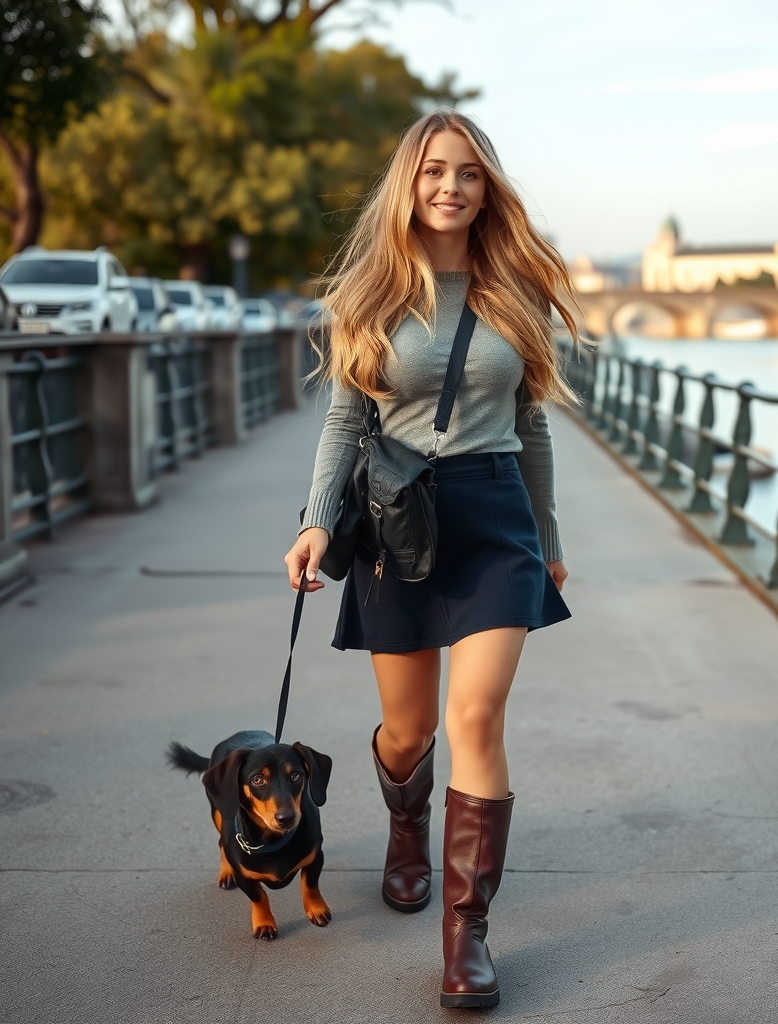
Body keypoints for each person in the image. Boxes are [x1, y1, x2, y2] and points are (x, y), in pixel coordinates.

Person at [283, 109, 580, 1009]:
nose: (452, 186)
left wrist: (551, 542)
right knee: (409, 732)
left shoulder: (515, 295)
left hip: (495, 520)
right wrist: (315, 524)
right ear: (408, 185)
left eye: (471, 174)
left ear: (490, 191)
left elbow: (531, 429)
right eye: (434, 172)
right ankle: (404, 829)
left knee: (476, 716)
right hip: (396, 523)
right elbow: (344, 423)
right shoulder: (369, 299)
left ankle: (468, 936)